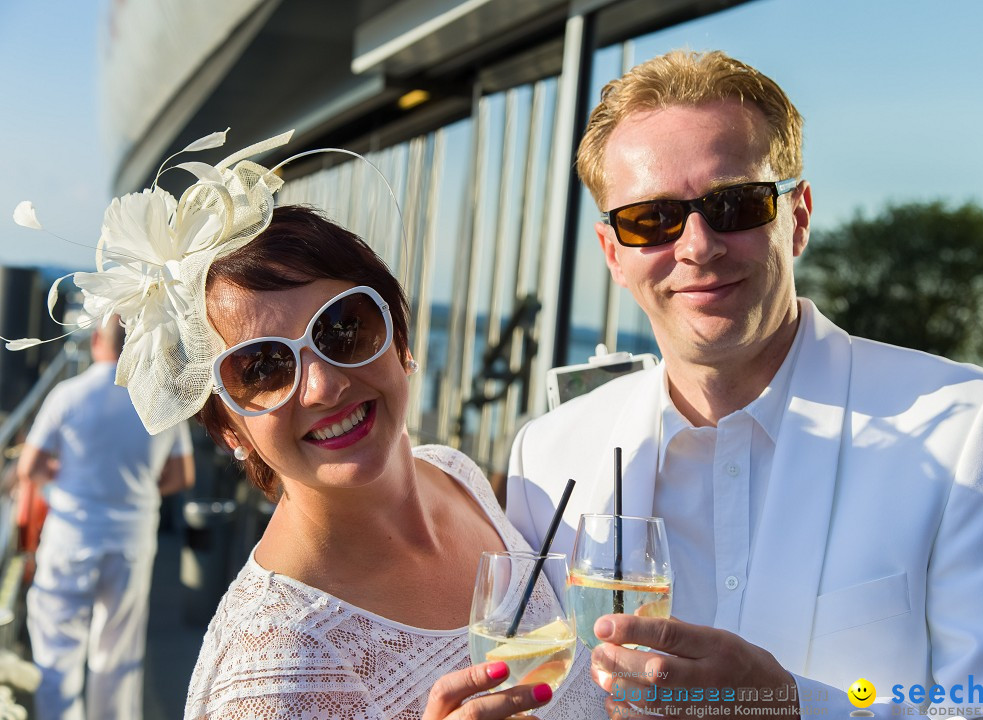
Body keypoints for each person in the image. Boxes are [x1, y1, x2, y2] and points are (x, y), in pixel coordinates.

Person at [506, 50, 983, 717]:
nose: (697, 245)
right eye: (651, 220)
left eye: (735, 205)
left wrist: (792, 707)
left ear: (796, 217)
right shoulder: (547, 458)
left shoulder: (971, 429)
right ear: (613, 253)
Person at [7, 130, 604, 719]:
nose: (323, 386)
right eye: (261, 368)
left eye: (343, 327)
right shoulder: (268, 681)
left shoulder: (457, 473)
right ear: (231, 431)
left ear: (399, 336)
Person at [16, 315, 195, 720]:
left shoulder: (69, 394)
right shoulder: (159, 399)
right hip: (131, 539)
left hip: (71, 538)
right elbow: (182, 475)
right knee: (118, 654)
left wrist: (59, 476)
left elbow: (30, 468)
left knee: (57, 652)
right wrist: (140, 486)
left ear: (97, 339)